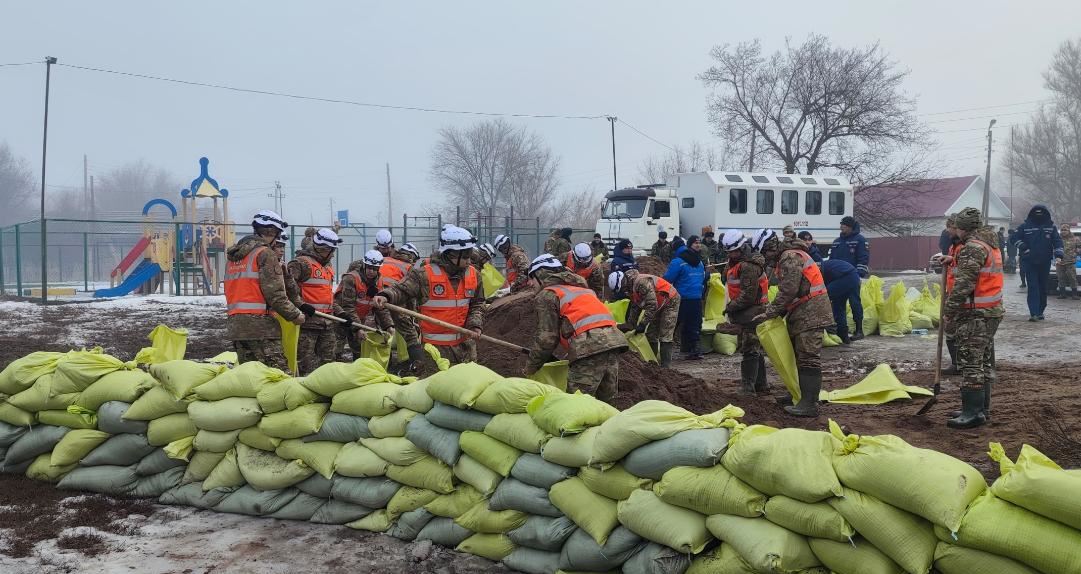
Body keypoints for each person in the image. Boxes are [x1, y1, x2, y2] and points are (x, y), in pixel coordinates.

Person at [373, 226, 485, 367]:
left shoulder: (474, 275)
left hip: (465, 349)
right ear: (451, 254)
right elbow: (401, 290)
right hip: (434, 352)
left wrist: (475, 324)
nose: (470, 259)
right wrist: (385, 296)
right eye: (467, 254)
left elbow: (478, 303)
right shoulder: (424, 275)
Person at [752, 229, 834, 417]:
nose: (766, 258)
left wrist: (770, 313)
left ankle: (809, 404)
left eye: (765, 253)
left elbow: (788, 290)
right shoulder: (788, 256)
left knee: (808, 357)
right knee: (799, 355)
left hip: (811, 312)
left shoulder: (789, 257)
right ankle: (798, 395)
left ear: (771, 248)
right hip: (803, 312)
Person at [525, 255, 627, 403]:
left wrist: (530, 368)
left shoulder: (547, 295)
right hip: (614, 342)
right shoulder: (582, 290)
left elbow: (547, 338)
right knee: (605, 403)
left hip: (590, 347)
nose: (529, 283)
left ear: (540, 274)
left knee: (576, 404)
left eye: (531, 277)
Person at [935, 208, 1003, 429]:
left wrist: (949, 309)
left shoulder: (972, 248)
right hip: (989, 311)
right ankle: (981, 409)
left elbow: (965, 283)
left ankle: (972, 412)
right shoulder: (988, 243)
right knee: (981, 361)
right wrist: (952, 259)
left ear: (963, 228)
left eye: (957, 227)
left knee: (971, 363)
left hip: (976, 314)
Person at [224, 211, 305, 369]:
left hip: (236, 326)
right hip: (261, 327)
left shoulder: (234, 258)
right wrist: (295, 315)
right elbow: (275, 294)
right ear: (272, 232)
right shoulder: (265, 253)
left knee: (250, 376)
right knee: (277, 376)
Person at [287, 228, 344, 375]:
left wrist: (341, 313)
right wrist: (301, 305)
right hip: (308, 324)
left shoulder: (327, 266)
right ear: (320, 248)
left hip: (327, 323)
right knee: (303, 364)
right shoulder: (301, 264)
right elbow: (287, 289)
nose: (332, 254)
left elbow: (327, 295)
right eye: (330, 251)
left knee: (328, 365)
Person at [721, 230, 769, 393]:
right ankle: (761, 385)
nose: (731, 254)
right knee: (754, 349)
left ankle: (748, 389)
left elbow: (748, 295)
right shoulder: (735, 262)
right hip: (746, 312)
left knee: (750, 349)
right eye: (729, 252)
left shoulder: (748, 266)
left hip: (753, 312)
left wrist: (731, 307)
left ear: (741, 248)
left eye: (734, 251)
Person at [609, 268, 680, 367]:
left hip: (670, 300)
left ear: (622, 283)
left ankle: (665, 367)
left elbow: (651, 305)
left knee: (665, 334)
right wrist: (631, 325)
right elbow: (635, 306)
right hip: (658, 303)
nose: (623, 292)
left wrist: (642, 324)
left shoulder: (641, 283)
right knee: (651, 334)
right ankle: (652, 363)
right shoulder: (630, 287)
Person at [334, 250, 394, 360]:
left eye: (375, 269)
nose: (371, 271)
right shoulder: (351, 279)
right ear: (364, 265)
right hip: (340, 317)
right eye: (369, 267)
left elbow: (380, 308)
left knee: (359, 350)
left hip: (358, 318)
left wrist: (388, 325)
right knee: (335, 350)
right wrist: (358, 328)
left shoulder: (379, 282)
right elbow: (348, 307)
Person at [1010, 205, 1064, 320]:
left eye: (1041, 213)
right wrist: (1024, 247)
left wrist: (1059, 255)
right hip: (1029, 261)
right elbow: (1013, 238)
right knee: (1033, 286)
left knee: (1043, 287)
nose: (1039, 215)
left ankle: (1040, 311)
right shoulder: (1025, 227)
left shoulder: (1051, 227)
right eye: (1036, 213)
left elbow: (1057, 241)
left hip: (1045, 261)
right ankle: (1033, 313)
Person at [664, 235, 707, 360]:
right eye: (696, 243)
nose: (698, 245)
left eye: (699, 242)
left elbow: (668, 279)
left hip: (681, 298)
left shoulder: (677, 262)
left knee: (673, 323)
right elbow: (703, 278)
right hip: (696, 297)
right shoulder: (699, 262)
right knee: (694, 323)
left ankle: (664, 350)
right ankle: (693, 348)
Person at [822, 259, 861, 345]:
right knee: (840, 305)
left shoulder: (819, 269)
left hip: (847, 276)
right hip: (852, 275)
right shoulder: (823, 265)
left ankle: (831, 329)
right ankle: (844, 335)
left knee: (824, 297)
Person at [1057, 224, 1079, 299]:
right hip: (1060, 262)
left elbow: (1079, 247)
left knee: (1072, 278)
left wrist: (1075, 253)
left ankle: (1074, 294)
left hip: (1070, 262)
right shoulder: (1057, 239)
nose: (1063, 232)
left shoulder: (1075, 239)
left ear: (1069, 230)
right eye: (1062, 230)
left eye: (1065, 230)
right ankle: (1062, 294)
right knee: (1061, 278)